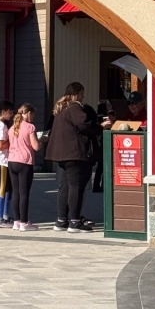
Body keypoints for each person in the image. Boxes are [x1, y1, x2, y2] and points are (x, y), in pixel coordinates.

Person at [46, 82, 101, 232]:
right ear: (76, 93)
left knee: (64, 186)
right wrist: (101, 127)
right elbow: (84, 125)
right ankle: (75, 221)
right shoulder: (74, 107)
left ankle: (61, 220)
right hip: (74, 153)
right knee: (76, 186)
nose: (83, 97)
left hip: (60, 154)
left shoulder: (60, 108)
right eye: (82, 94)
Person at [7, 103, 40, 231]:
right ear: (28, 113)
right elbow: (35, 146)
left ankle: (17, 221)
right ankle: (25, 222)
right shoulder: (30, 127)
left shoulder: (12, 127)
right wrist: (42, 140)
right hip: (25, 161)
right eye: (33, 114)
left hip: (12, 160)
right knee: (24, 192)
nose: (33, 117)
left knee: (15, 192)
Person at [92, 100, 116, 192]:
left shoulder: (97, 116)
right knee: (103, 165)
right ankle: (102, 185)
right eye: (109, 105)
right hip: (102, 143)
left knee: (100, 166)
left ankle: (97, 185)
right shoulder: (103, 117)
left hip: (99, 143)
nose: (111, 106)